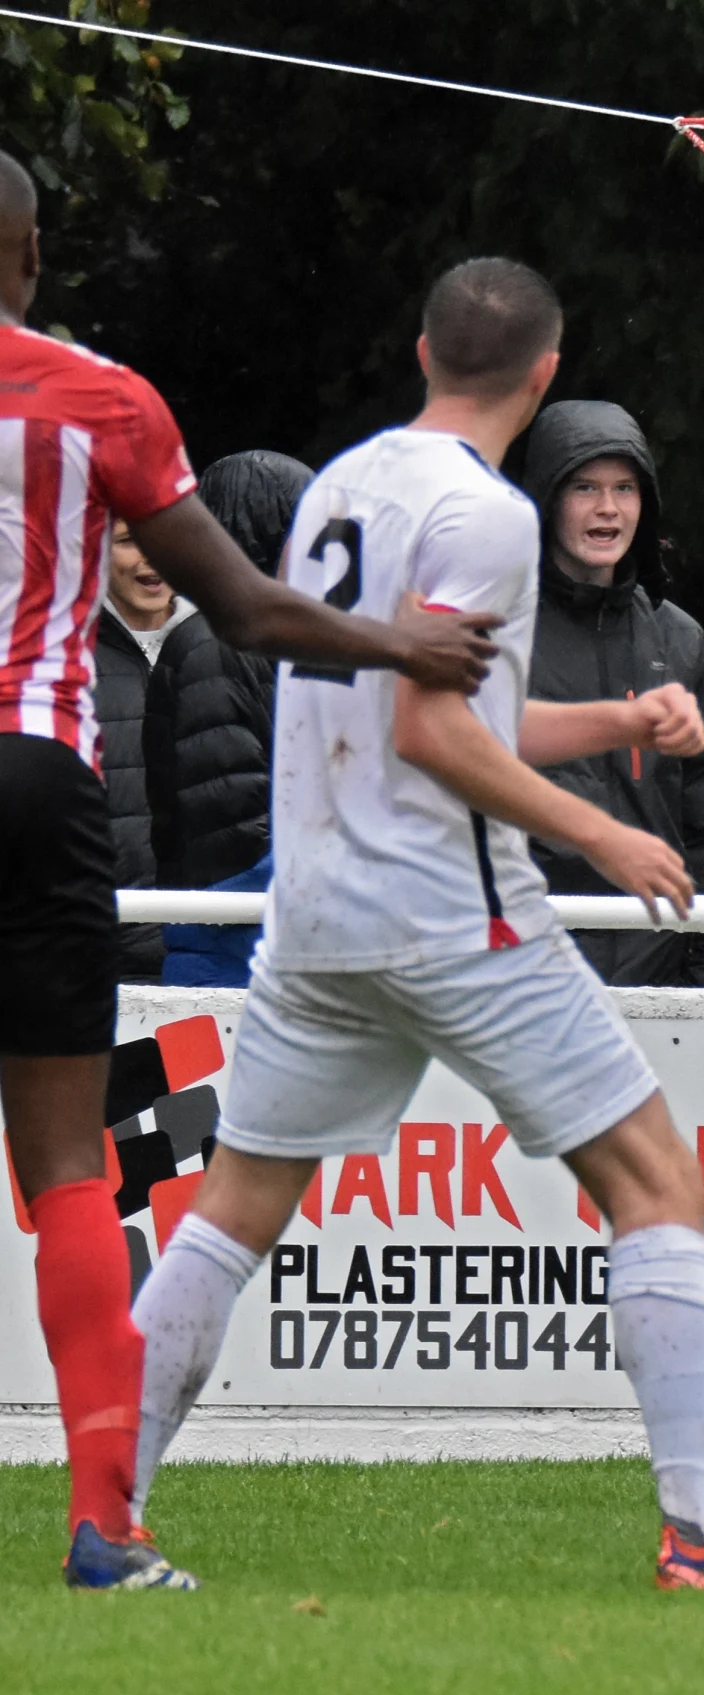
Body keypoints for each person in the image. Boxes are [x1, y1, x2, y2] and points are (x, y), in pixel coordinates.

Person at [122, 257, 704, 1592]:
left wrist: (617, 719)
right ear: (543, 379)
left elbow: (431, 709)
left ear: (423, 347)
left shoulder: (341, 489)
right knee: (656, 1180)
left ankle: (112, 1507)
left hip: (317, 917)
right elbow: (435, 730)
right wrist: (602, 828)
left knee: (226, 1216)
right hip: (453, 917)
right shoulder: (487, 518)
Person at [0, 151, 498, 1592]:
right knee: (66, 1165)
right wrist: (403, 641)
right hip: (42, 775)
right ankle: (108, 1526)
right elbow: (247, 602)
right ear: (31, 255)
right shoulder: (104, 399)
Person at [521, 401, 704, 987]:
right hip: (523, 966)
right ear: (546, 498)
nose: (608, 509)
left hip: (658, 969)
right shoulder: (493, 631)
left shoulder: (681, 639)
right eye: (584, 486)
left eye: (625, 488)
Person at [144, 450, 314, 985]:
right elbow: (233, 833)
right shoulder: (217, 645)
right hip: (230, 956)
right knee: (210, 1074)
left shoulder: (278, 643)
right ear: (266, 530)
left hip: (270, 946)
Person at [97, 519, 187, 982]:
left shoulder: (223, 643)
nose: (151, 555)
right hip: (97, 948)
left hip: (208, 941)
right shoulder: (62, 657)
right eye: (130, 541)